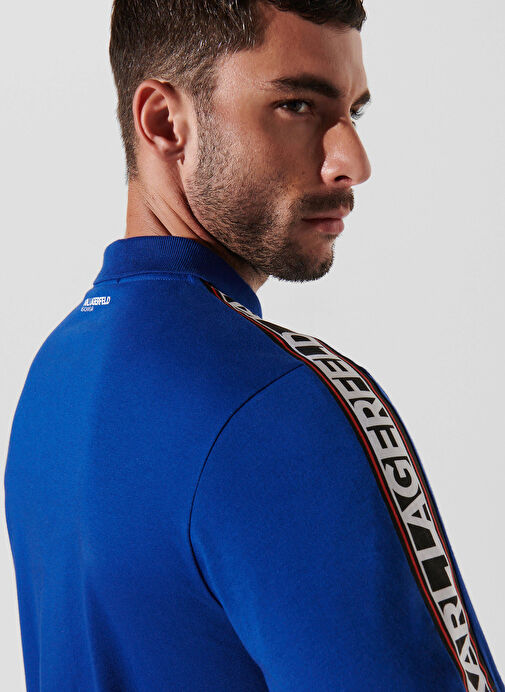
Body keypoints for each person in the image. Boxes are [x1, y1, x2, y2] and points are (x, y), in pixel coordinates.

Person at [4, 1, 503, 690]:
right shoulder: (282, 406)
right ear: (165, 122)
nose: (352, 162)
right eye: (298, 105)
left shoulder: (55, 374)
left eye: (353, 113)